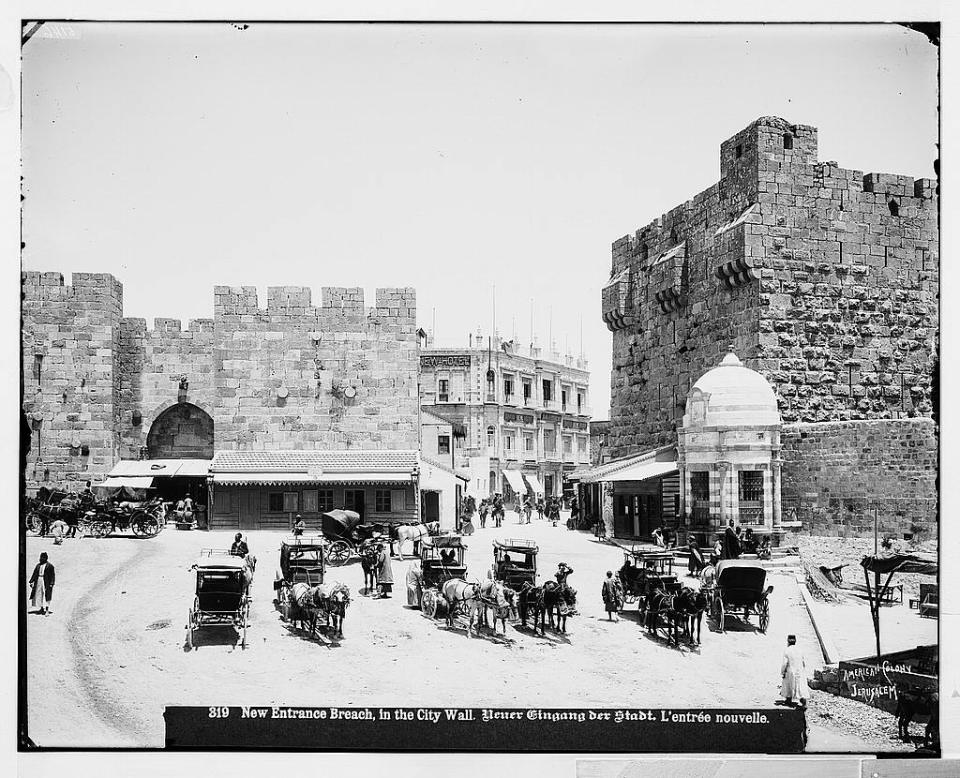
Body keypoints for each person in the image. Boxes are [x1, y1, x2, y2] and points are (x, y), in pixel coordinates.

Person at [780, 635, 809, 709]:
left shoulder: (787, 650)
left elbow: (784, 663)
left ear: (788, 641)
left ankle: (788, 698)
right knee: (800, 686)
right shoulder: (800, 650)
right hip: (800, 670)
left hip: (791, 670)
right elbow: (803, 662)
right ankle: (803, 701)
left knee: (788, 684)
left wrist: (782, 672)